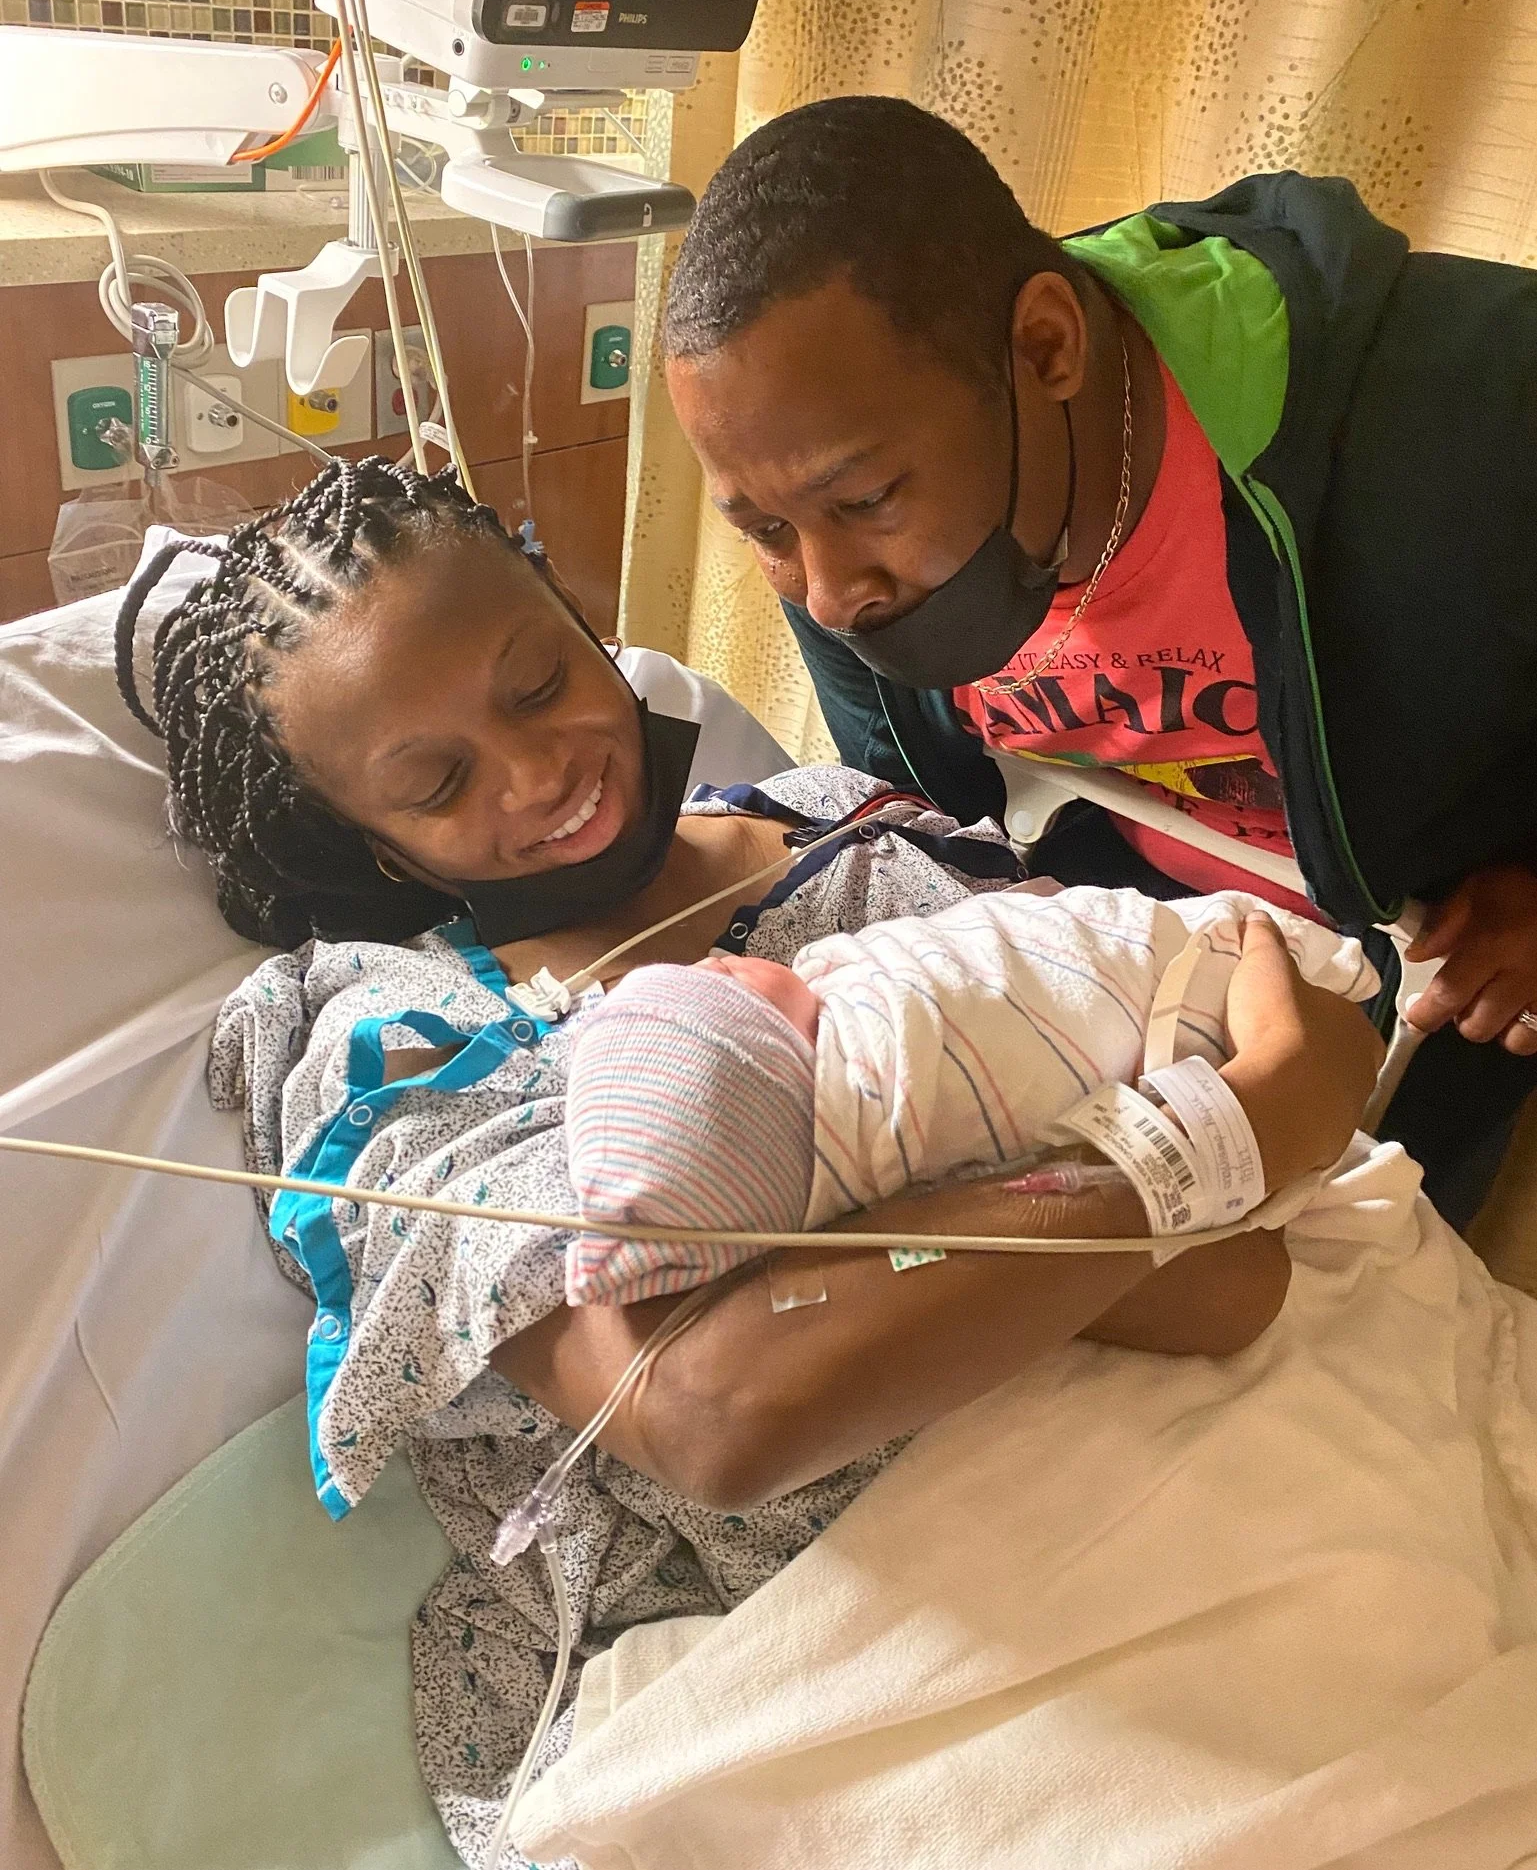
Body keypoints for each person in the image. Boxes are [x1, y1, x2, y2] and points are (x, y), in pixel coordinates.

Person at [119, 455, 1381, 1860]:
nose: (540, 774)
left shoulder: (853, 827)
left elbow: (1255, 1161)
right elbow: (713, 1405)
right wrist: (1189, 1151)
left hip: (1231, 1463)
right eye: (435, 781)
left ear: (572, 604)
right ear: (382, 849)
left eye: (539, 682)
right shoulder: (414, 1052)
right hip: (860, 1622)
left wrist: (1148, 1180)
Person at [661, 95, 1537, 1230]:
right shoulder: (832, 509)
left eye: (867, 500)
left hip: (1422, 1011)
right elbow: (924, 807)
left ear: (1046, 347)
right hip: (1107, 981)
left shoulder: (1479, 414)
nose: (828, 594)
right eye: (764, 532)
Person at [563, 884, 1376, 1305]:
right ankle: (1264, 961)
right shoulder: (882, 1077)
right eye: (725, 984)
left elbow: (985, 957)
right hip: (1203, 994)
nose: (714, 961)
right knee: (1249, 952)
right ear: (787, 1068)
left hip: (1182, 1028)